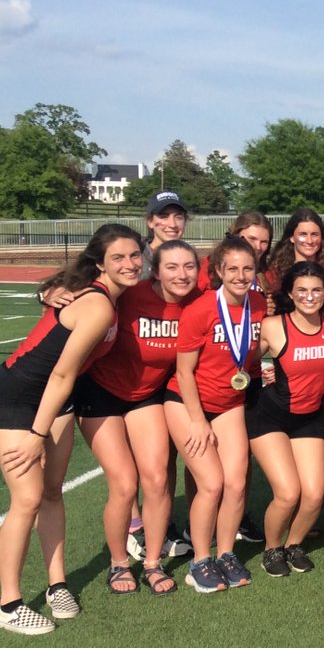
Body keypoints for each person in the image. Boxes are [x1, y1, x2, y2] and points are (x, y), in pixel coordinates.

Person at [0, 224, 143, 634]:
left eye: (134, 255)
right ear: (100, 263)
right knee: (27, 498)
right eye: (118, 257)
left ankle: (57, 585)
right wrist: (36, 436)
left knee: (53, 491)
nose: (130, 263)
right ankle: (8, 605)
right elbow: (61, 373)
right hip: (17, 396)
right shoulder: (99, 304)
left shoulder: (109, 298)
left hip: (54, 400)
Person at [76, 240, 201, 596]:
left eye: (189, 266)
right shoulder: (131, 294)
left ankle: (152, 562)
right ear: (155, 271)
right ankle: (118, 563)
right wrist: (52, 291)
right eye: (172, 267)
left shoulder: (199, 302)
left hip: (146, 395)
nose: (181, 275)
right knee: (125, 484)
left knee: (158, 478)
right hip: (100, 392)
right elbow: (82, 292)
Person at [165, 237, 268, 593]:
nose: (241, 275)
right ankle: (200, 560)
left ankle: (226, 554)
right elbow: (183, 373)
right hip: (187, 402)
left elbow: (251, 350)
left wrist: (261, 369)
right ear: (220, 271)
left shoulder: (258, 304)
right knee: (211, 484)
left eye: (248, 268)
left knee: (237, 483)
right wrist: (198, 421)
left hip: (229, 402)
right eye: (233, 268)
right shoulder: (201, 309)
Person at [249, 261, 324, 577]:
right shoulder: (273, 325)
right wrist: (264, 369)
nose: (309, 296)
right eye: (301, 290)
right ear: (290, 293)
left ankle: (294, 545)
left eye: (316, 290)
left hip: (309, 418)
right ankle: (272, 549)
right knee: (288, 493)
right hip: (270, 417)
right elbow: (243, 362)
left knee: (313, 496)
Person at [264, 208, 324, 290]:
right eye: (303, 234)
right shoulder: (274, 275)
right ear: (292, 237)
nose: (309, 241)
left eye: (314, 234)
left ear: (321, 237)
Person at [140, 191, 187, 279]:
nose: (173, 224)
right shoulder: (137, 258)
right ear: (150, 222)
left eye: (178, 217)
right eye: (164, 217)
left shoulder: (192, 257)